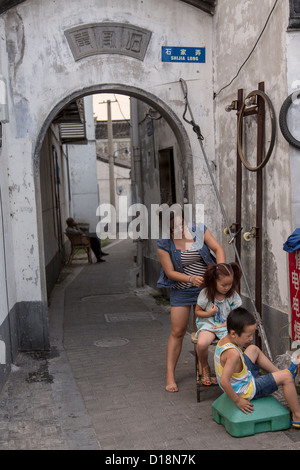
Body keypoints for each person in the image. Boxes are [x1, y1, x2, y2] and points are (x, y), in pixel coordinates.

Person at [157, 209, 225, 392]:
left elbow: (218, 249)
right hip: (181, 290)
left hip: (205, 290)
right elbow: (170, 272)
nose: (176, 231)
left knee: (201, 331)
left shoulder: (199, 230)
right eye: (171, 229)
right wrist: (189, 279)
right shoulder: (164, 243)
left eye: (179, 225)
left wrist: (220, 271)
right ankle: (170, 375)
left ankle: (204, 368)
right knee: (177, 332)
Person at [214, 307, 300, 428]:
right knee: (287, 377)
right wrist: (238, 401)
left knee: (253, 349)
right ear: (233, 333)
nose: (251, 338)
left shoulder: (224, 340)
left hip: (238, 379)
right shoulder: (232, 353)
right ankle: (297, 416)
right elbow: (224, 381)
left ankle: (279, 374)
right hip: (245, 390)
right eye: (248, 336)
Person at [195, 262, 242, 386]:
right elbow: (197, 312)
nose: (227, 287)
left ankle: (230, 371)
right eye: (223, 285)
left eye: (230, 284)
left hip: (227, 326)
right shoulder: (205, 294)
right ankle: (204, 366)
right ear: (213, 281)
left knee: (235, 345)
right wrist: (209, 313)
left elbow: (236, 314)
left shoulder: (232, 296)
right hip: (208, 325)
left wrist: (226, 324)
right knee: (201, 344)